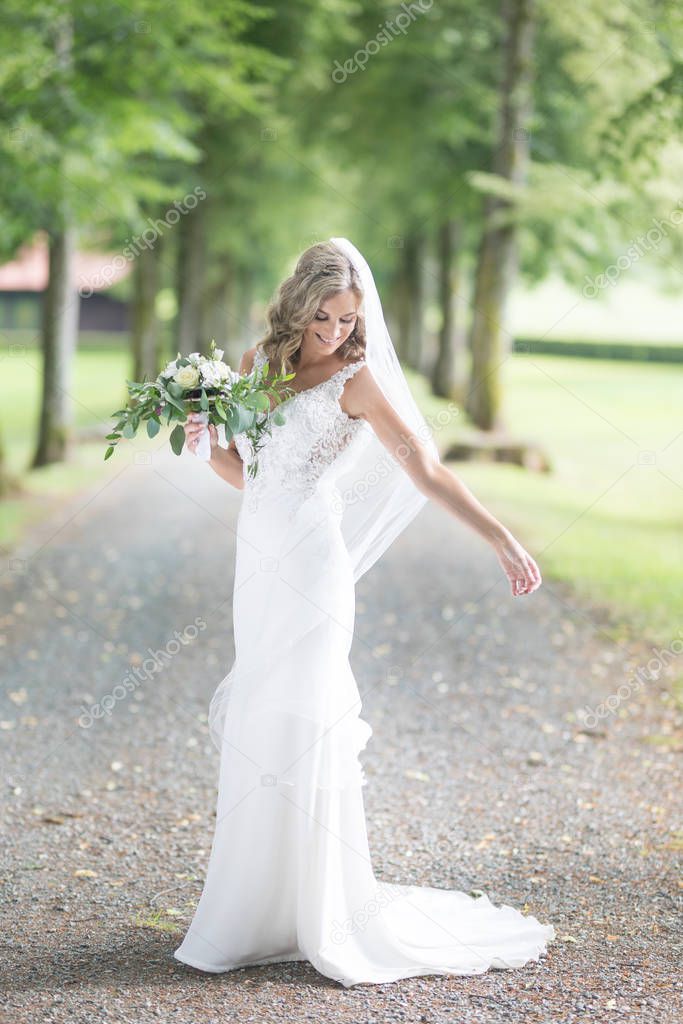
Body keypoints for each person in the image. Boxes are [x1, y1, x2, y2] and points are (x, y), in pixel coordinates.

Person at [174, 237, 555, 987]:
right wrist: (201, 440)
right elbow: (250, 475)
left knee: (307, 711)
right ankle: (254, 909)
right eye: (323, 316)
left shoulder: (358, 380)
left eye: (348, 320)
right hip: (257, 561)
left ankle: (324, 909)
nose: (335, 332)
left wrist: (501, 538)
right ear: (297, 303)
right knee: (260, 714)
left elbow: (426, 469)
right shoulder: (255, 364)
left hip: (315, 566)